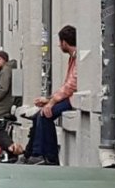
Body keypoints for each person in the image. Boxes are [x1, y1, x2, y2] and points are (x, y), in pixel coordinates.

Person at [29, 25, 78, 164]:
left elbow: (71, 85)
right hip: (70, 98)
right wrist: (49, 99)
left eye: (59, 42)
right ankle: (33, 152)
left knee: (45, 114)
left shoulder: (77, 58)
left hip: (73, 99)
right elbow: (66, 86)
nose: (59, 45)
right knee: (38, 115)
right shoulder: (73, 58)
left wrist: (51, 102)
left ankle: (48, 156)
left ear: (64, 42)